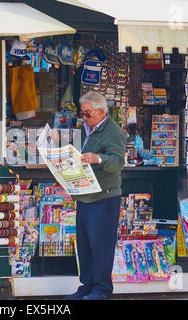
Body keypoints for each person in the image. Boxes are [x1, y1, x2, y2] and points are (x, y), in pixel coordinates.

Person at [66, 91, 126, 300]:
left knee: (101, 245)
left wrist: (98, 159)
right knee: (85, 246)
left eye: (88, 114)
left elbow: (118, 163)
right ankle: (87, 286)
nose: (85, 118)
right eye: (83, 114)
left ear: (101, 111)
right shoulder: (86, 129)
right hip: (85, 195)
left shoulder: (114, 132)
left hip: (104, 198)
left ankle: (102, 290)